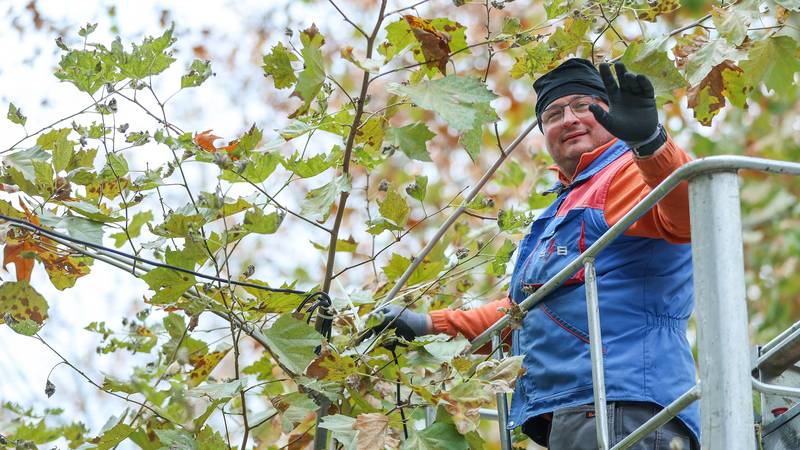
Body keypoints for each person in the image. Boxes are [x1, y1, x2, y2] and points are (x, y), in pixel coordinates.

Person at [375, 59, 699, 449]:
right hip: (579, 411)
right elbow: (524, 313)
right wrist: (427, 325)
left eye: (584, 105)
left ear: (614, 114)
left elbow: (691, 214)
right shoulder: (565, 206)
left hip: (624, 401)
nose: (569, 119)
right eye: (553, 113)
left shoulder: (627, 173)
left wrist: (650, 144)